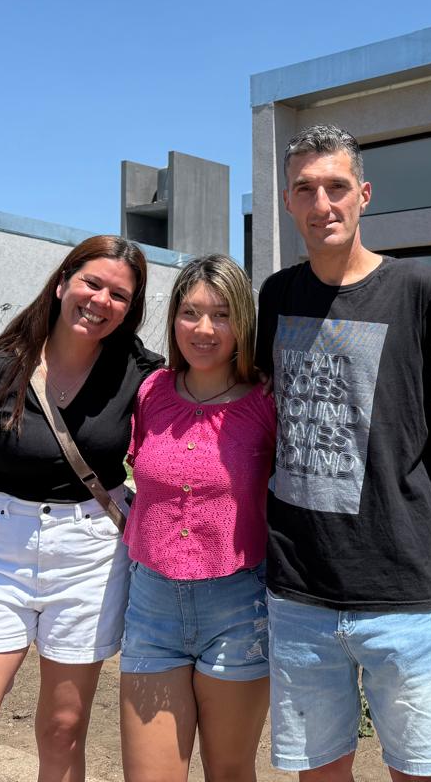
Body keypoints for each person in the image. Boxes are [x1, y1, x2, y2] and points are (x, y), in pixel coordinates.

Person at [256, 124, 431, 781]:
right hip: (299, 592)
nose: (322, 204)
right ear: (288, 201)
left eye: (336, 187)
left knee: (422, 771)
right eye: (305, 189)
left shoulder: (418, 289)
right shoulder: (276, 296)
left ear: (364, 195)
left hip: (403, 594)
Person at [0, 235, 163, 782]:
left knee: (62, 730)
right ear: (62, 283)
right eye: (91, 283)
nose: (100, 301)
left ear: (130, 309)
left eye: (119, 295)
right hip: (0, 554)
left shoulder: (141, 373)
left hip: (91, 557)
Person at [119, 253, 276, 782]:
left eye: (221, 314)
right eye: (190, 312)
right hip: (152, 606)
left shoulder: (266, 401)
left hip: (240, 604)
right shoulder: (150, 392)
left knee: (229, 770)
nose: (204, 329)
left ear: (243, 323)